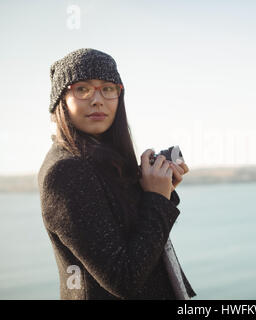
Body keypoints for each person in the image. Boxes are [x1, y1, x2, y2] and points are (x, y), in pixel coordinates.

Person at [37, 48, 196, 300]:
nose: (97, 100)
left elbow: (134, 238)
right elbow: (124, 279)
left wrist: (160, 189)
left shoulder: (99, 160)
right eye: (82, 89)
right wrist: (156, 200)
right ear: (61, 100)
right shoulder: (65, 172)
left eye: (108, 88)